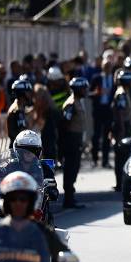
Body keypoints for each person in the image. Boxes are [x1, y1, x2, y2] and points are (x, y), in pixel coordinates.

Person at [60, 77, 89, 208]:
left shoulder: (78, 102)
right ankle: (68, 199)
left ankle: (71, 197)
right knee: (70, 168)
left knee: (75, 167)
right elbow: (65, 123)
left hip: (76, 139)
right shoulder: (71, 103)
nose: (85, 91)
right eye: (83, 88)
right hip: (70, 140)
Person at [111, 70, 131, 190]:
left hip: (124, 127)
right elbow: (120, 113)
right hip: (122, 128)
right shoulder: (121, 94)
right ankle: (120, 183)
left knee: (124, 155)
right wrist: (121, 129)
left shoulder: (124, 92)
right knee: (121, 156)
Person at [89, 58, 114, 168]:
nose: (108, 69)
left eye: (109, 66)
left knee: (107, 136)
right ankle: (94, 159)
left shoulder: (114, 80)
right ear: (102, 67)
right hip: (99, 110)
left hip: (109, 111)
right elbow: (89, 93)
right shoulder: (96, 78)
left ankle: (105, 160)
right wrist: (97, 93)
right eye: (106, 66)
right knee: (96, 135)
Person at [6, 78, 33, 143]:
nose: (30, 94)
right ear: (22, 93)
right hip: (19, 148)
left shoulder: (19, 107)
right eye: (28, 92)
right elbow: (23, 133)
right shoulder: (18, 111)